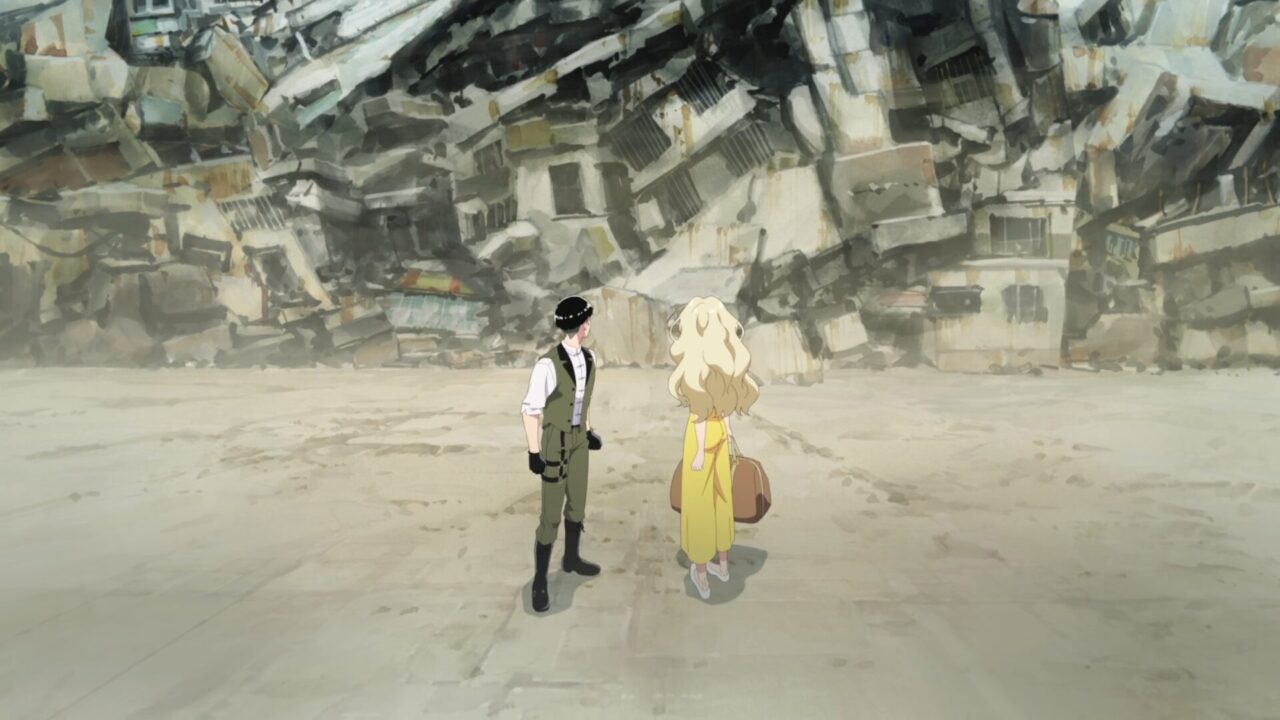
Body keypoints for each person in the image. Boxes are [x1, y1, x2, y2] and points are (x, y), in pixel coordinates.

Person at [667, 297, 759, 600]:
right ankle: (723, 565)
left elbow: (700, 414)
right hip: (720, 434)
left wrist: (696, 455)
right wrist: (728, 434)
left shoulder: (698, 367)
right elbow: (725, 410)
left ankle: (702, 573)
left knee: (699, 505)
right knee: (722, 500)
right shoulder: (726, 364)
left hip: (702, 438)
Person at [520, 295, 604, 613]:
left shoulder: (589, 358)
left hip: (579, 440)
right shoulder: (547, 364)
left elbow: (583, 400)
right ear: (581, 325)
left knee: (577, 504)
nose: (589, 325)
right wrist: (534, 451)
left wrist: (589, 431)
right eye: (587, 320)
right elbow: (531, 410)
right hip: (555, 441)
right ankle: (540, 580)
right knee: (551, 515)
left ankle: (571, 559)